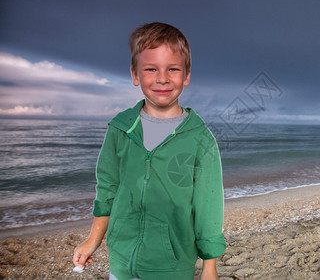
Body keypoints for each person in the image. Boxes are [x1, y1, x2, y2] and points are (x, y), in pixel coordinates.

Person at [73, 22, 226, 280]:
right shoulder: (120, 129)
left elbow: (208, 207)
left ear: (186, 75)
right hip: (121, 264)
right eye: (151, 69)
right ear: (135, 75)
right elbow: (108, 188)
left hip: (172, 268)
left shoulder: (201, 139)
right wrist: (92, 241)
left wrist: (209, 268)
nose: (162, 78)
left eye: (173, 69)